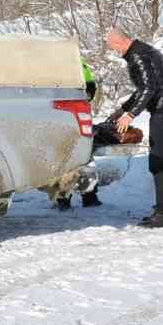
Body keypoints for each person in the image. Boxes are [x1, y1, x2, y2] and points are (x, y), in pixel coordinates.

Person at [106, 28, 163, 227]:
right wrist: (121, 110)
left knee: (158, 162)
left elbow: (150, 88)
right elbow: (143, 89)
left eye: (114, 47)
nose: (115, 52)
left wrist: (130, 116)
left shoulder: (138, 56)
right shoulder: (142, 52)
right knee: (157, 162)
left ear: (120, 42)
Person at [55, 56, 103, 210]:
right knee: (84, 157)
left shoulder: (54, 67)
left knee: (63, 158)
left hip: (60, 117)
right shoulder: (81, 65)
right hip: (79, 115)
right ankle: (89, 196)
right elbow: (91, 91)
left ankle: (63, 199)